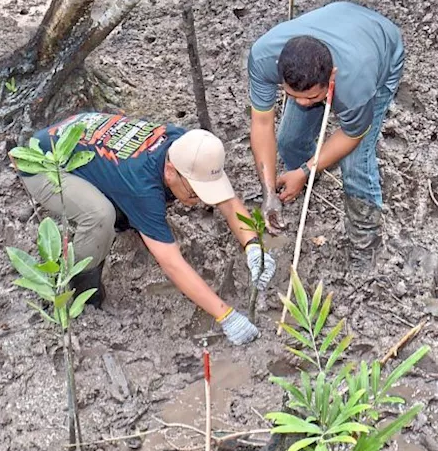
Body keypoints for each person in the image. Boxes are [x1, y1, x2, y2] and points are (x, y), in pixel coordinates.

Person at [17, 112, 272, 345]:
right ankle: (81, 289)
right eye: (195, 192)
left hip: (83, 136)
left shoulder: (188, 147)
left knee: (119, 202)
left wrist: (253, 247)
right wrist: (225, 315)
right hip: (44, 163)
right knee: (99, 216)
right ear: (171, 171)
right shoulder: (143, 187)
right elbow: (171, 263)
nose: (202, 199)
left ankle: (121, 213)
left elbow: (228, 201)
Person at [247, 1, 405, 268]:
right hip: (340, 23)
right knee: (289, 140)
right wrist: (268, 191)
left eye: (312, 97)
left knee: (355, 163)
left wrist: (305, 170)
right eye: (292, 95)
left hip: (382, 50)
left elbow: (351, 135)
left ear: (331, 77)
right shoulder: (264, 59)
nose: (303, 103)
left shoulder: (355, 83)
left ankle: (365, 244)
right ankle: (307, 183)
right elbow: (262, 125)